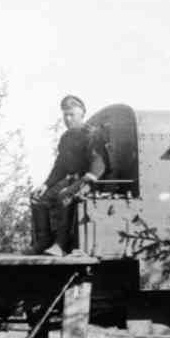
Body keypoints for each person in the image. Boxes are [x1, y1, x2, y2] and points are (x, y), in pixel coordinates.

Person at [30, 94, 105, 256]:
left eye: (72, 115)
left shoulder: (91, 134)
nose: (68, 119)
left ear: (82, 115)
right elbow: (60, 167)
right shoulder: (66, 138)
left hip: (89, 180)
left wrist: (90, 177)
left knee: (64, 196)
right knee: (38, 198)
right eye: (65, 115)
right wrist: (46, 184)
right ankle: (43, 242)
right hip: (71, 179)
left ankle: (60, 245)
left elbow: (98, 161)